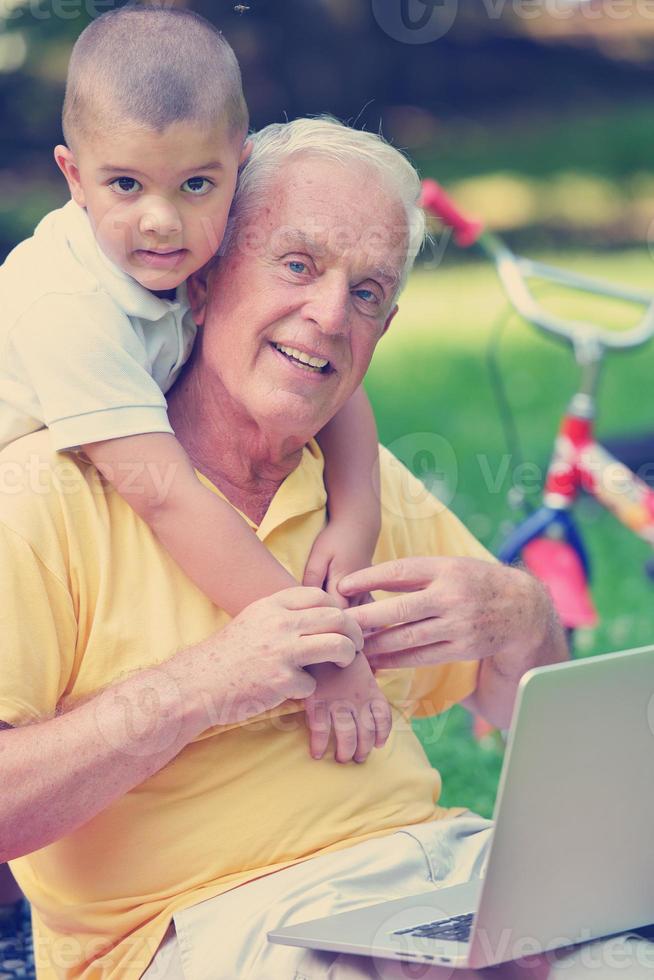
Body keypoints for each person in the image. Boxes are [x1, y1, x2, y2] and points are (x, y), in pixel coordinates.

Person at [1, 119, 649, 980]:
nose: (331, 315)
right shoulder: (45, 493)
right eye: (297, 265)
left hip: (443, 879)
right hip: (211, 928)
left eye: (370, 292)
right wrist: (201, 687)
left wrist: (523, 617)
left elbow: (508, 715)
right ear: (204, 275)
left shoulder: (361, 484)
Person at [0, 3, 390, 767]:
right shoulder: (67, 307)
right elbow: (165, 494)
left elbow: (325, 365)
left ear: (235, 167)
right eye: (125, 184)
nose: (161, 221)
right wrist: (331, 655)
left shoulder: (195, 243)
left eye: (195, 185)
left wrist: (358, 517)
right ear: (73, 177)